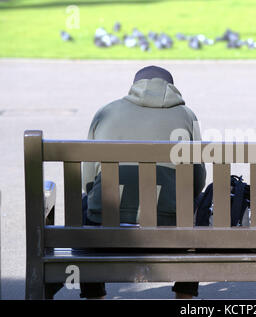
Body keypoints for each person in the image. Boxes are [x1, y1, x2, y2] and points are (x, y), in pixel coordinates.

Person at [47, 66, 205, 299]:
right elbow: (197, 180)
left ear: (134, 87)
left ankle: (94, 294)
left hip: (105, 234)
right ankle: (184, 296)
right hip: (170, 235)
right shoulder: (186, 116)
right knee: (197, 210)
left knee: (87, 204)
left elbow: (88, 180)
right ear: (172, 88)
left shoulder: (106, 112)